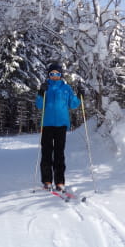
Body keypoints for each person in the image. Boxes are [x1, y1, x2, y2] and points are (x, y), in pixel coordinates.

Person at [35, 62, 84, 191]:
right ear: (49, 75)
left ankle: (59, 181)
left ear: (61, 75)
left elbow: (73, 105)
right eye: (52, 74)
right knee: (46, 153)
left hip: (61, 125)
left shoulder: (66, 88)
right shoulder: (46, 87)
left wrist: (79, 95)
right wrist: (40, 92)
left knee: (59, 154)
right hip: (47, 125)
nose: (55, 76)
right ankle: (47, 180)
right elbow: (39, 105)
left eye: (57, 74)